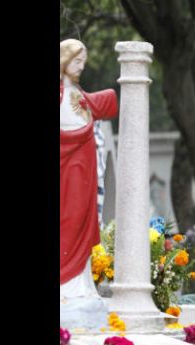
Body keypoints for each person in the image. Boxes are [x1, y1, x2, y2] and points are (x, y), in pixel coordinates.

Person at [60, 39, 118, 328]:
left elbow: (100, 106)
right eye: (76, 61)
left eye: (83, 62)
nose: (81, 67)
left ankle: (79, 287)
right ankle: (63, 288)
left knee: (83, 219)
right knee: (67, 220)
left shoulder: (80, 94)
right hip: (65, 168)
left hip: (83, 170)